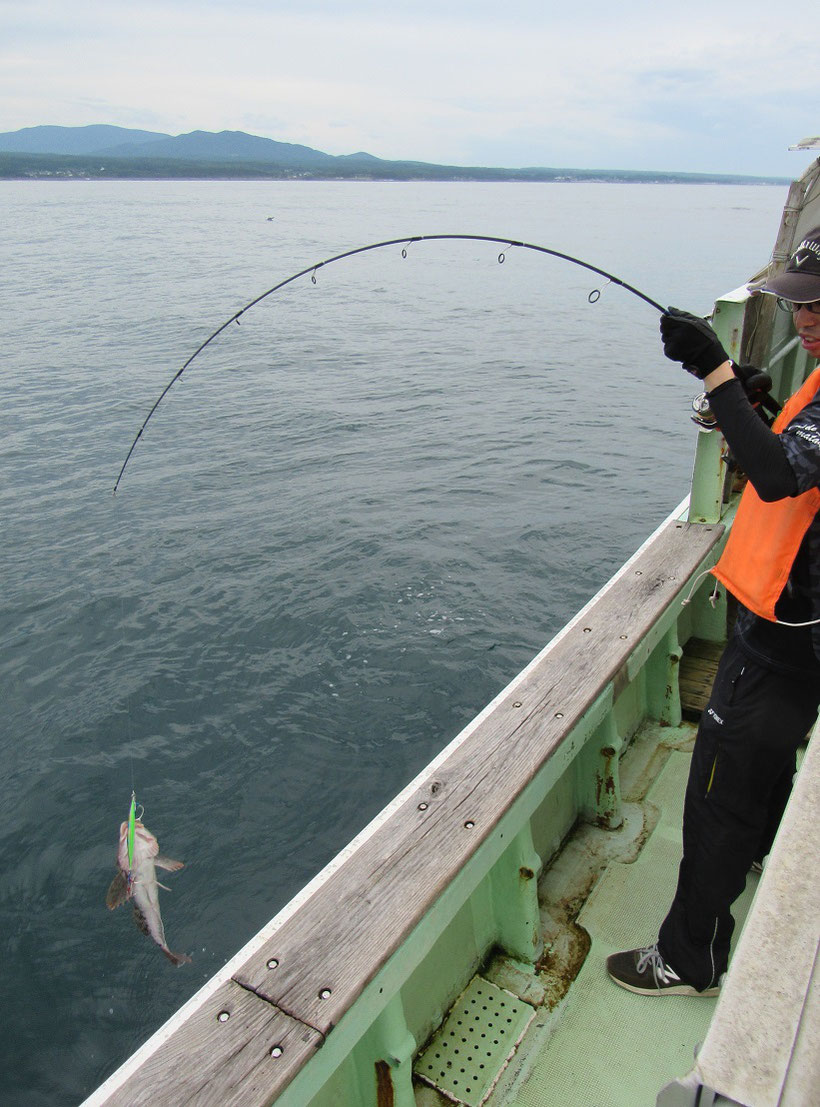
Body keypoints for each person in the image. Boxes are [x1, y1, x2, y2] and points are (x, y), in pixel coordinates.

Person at [606, 227, 820, 997]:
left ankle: (688, 955)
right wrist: (754, 399)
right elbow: (797, 447)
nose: (807, 318)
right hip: (798, 639)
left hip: (781, 643)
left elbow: (774, 474)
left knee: (715, 801)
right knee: (764, 772)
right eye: (800, 303)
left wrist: (717, 370)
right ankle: (760, 846)